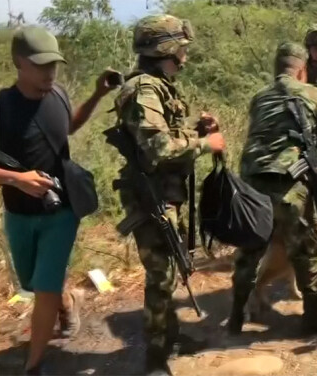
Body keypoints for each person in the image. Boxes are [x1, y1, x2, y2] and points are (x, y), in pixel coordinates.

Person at [111, 15, 226, 376]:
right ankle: (155, 358)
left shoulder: (158, 85)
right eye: (181, 49)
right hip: (150, 195)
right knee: (159, 276)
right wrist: (207, 143)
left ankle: (170, 337)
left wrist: (194, 130)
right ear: (166, 49)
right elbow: (158, 148)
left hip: (165, 191)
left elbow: (167, 134)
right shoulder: (145, 89)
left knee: (169, 271)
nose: (185, 57)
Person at [0, 26, 116, 374]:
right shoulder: (2, 107)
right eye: (42, 65)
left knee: (44, 289)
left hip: (61, 213)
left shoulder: (59, 95)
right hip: (19, 214)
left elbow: (68, 128)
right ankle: (70, 301)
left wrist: (96, 95)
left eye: (54, 65)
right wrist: (17, 180)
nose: (50, 72)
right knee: (33, 284)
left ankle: (33, 365)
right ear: (20, 62)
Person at [229, 42, 317, 335]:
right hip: (289, 183)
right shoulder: (312, 93)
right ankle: (312, 315)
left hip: (251, 183)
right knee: (306, 248)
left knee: (249, 250)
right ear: (302, 69)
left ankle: (235, 316)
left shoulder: (259, 97)